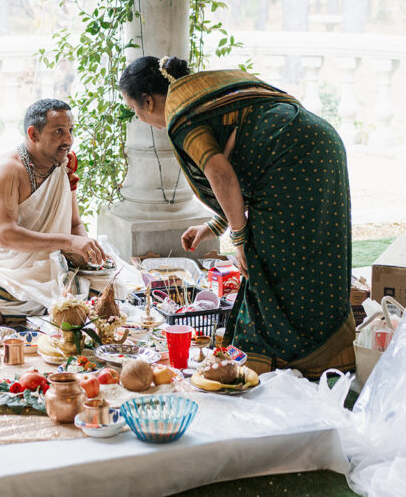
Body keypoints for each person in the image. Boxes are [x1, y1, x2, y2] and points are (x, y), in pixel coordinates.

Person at [119, 55, 355, 378]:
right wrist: (213, 225)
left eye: (134, 110)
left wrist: (240, 240)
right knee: (314, 255)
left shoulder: (180, 115)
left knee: (264, 265)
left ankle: (274, 364)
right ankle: (328, 356)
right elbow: (242, 158)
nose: (139, 117)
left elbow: (222, 174)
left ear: (147, 101)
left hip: (292, 161)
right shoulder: (200, 93)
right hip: (319, 144)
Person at [0, 99, 105, 326]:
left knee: (114, 280)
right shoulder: (5, 171)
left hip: (50, 266)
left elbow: (74, 224)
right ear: (33, 134)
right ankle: (48, 306)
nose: (69, 140)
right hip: (1, 269)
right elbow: (6, 236)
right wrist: (68, 242)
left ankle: (6, 312)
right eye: (59, 131)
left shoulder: (64, 163)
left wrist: (87, 249)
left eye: (71, 131)